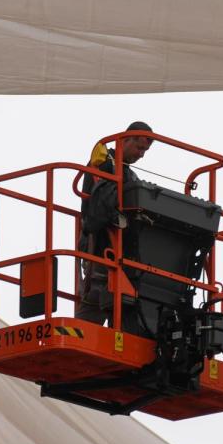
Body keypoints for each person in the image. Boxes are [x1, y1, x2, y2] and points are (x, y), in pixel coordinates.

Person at [75, 122, 153, 325]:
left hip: (119, 256)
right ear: (126, 140)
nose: (142, 155)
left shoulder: (126, 173)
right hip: (102, 250)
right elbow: (98, 214)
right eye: (140, 148)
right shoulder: (104, 164)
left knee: (120, 309)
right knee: (98, 299)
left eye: (145, 151)